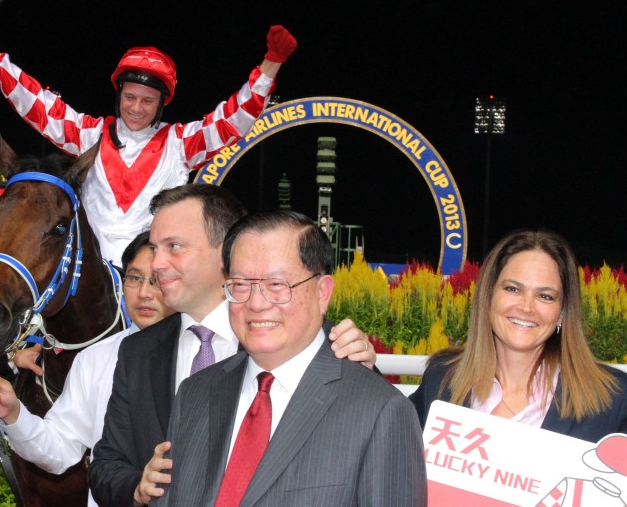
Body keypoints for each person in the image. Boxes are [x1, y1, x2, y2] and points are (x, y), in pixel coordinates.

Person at [88, 184, 379, 507]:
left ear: (225, 250)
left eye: (174, 246)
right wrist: (138, 487)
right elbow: (105, 465)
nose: (156, 263)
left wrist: (363, 365)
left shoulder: (313, 343)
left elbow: (368, 432)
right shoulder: (138, 352)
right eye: (155, 248)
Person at [0, 12, 297, 268]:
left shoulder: (181, 143)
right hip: (88, 279)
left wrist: (271, 64)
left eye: (148, 100)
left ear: (161, 104)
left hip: (153, 278)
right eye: (130, 97)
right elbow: (37, 105)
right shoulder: (90, 134)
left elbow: (233, 119)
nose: (136, 108)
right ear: (119, 95)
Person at [153, 210, 426, 506]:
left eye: (276, 285)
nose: (256, 303)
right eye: (241, 285)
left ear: (322, 293)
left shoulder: (379, 411)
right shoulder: (195, 393)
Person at [0, 231, 175, 507]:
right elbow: (60, 448)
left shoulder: (207, 352)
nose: (144, 293)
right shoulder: (94, 359)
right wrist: (14, 414)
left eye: (155, 280)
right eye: (134, 278)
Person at [409, 229, 627, 443]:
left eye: (545, 296)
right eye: (513, 289)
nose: (526, 307)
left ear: (562, 313)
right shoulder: (442, 378)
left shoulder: (614, 400)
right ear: (488, 297)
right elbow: (397, 444)